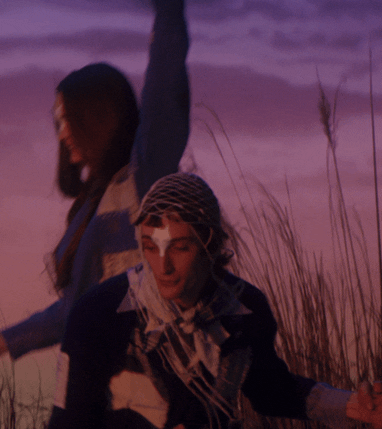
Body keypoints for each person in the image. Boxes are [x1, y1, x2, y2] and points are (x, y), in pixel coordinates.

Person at [0, 0, 220, 367]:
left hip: (145, 385)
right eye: (57, 121)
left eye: (69, 119)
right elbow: (76, 310)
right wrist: (0, 344)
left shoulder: (144, 180)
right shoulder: (91, 205)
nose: (62, 133)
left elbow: (164, 89)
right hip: (93, 385)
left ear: (100, 119)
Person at [48, 172, 382, 429]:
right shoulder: (98, 314)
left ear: (210, 244)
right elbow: (68, 423)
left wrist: (352, 404)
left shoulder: (244, 309)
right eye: (150, 247)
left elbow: (272, 390)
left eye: (179, 247)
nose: (163, 267)